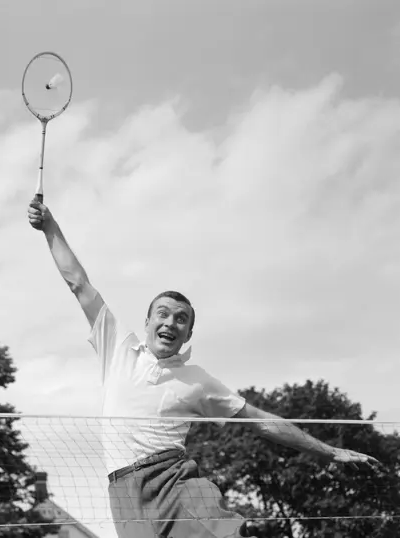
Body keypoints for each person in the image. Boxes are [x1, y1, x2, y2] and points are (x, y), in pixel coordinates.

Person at [28, 199, 380, 538]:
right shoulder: (118, 346)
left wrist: (329, 451)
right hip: (123, 492)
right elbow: (78, 283)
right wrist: (49, 226)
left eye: (181, 319)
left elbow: (261, 422)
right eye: (163, 314)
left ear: (188, 334)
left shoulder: (198, 381)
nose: (171, 323)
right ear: (148, 321)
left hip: (173, 480)